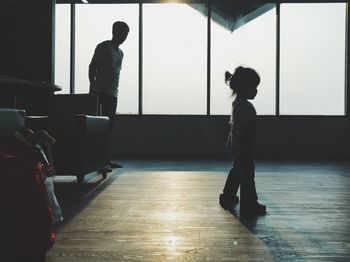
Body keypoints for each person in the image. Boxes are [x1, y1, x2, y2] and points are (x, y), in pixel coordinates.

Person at [219, 66, 266, 215]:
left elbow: (235, 128)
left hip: (238, 145)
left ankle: (228, 196)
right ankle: (249, 202)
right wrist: (237, 145)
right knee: (247, 173)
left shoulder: (238, 104)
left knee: (238, 170)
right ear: (246, 87)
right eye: (254, 87)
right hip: (242, 146)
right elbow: (238, 128)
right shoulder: (244, 106)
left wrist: (234, 144)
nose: (256, 91)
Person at [89, 21, 130, 171]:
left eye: (126, 34)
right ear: (114, 32)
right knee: (98, 128)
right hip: (100, 92)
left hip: (113, 93)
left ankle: (104, 160)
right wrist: (92, 89)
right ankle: (98, 160)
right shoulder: (103, 47)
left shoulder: (120, 53)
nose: (124, 37)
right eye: (122, 33)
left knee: (107, 129)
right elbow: (92, 66)